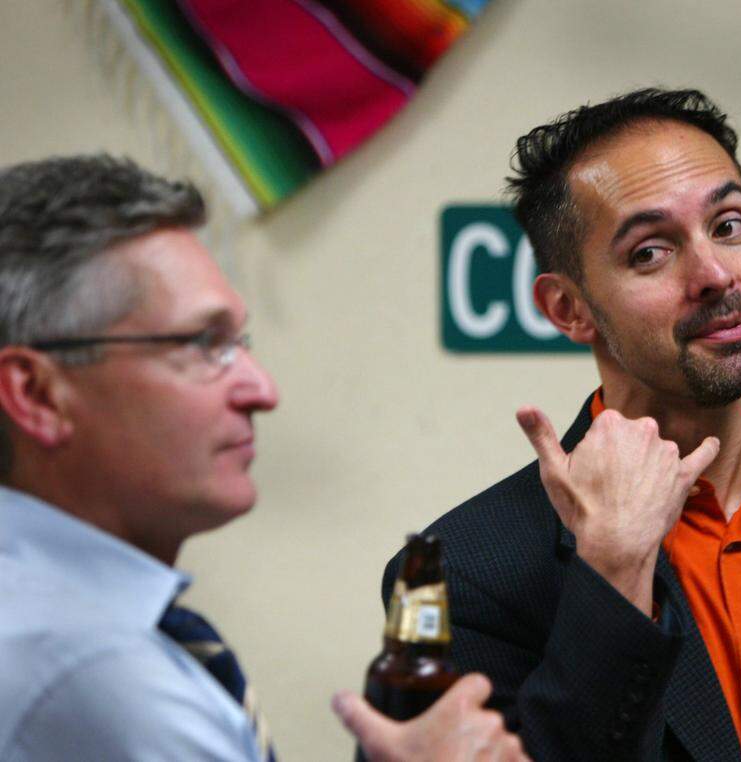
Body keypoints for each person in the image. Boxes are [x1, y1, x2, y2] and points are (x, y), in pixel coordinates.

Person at [383, 88, 741, 761]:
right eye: (651, 252)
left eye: (728, 225)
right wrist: (614, 570)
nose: (717, 274)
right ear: (569, 309)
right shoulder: (460, 575)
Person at [0, 155, 527, 762]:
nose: (262, 389)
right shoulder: (99, 676)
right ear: (38, 393)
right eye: (203, 344)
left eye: (238, 344)